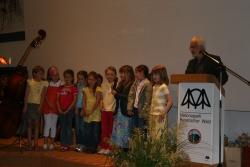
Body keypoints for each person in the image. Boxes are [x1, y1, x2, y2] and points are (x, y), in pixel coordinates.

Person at [23, 65, 48, 151]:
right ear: (34, 73)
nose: (41, 75)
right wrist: (25, 106)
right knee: (29, 125)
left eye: (42, 73)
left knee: (37, 125)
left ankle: (36, 144)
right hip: (30, 105)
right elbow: (26, 95)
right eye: (39, 73)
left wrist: (40, 107)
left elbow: (43, 96)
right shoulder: (30, 81)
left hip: (38, 105)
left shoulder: (44, 83)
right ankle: (29, 143)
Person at [111, 65, 134, 151]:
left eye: (123, 73)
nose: (121, 75)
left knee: (126, 132)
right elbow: (117, 95)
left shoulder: (132, 84)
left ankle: (126, 151)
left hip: (126, 111)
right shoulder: (121, 83)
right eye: (121, 73)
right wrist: (115, 90)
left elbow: (128, 97)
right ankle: (120, 150)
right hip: (119, 111)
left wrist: (116, 94)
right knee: (119, 132)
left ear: (129, 74)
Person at [127, 65, 152, 136]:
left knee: (141, 131)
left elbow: (148, 100)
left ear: (144, 73)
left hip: (142, 111)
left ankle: (141, 146)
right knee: (134, 129)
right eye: (136, 72)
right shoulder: (136, 83)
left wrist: (143, 112)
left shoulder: (147, 84)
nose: (136, 74)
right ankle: (134, 146)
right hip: (135, 109)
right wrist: (129, 108)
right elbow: (131, 95)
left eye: (138, 72)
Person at [149, 65, 173, 139]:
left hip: (160, 116)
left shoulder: (163, 86)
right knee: (153, 136)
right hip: (152, 114)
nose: (154, 76)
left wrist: (163, 113)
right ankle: (154, 151)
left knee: (159, 137)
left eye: (156, 74)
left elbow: (170, 101)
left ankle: (160, 151)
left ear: (162, 75)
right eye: (153, 74)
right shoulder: (154, 86)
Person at [42, 66, 62, 150]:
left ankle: (52, 143)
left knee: (53, 125)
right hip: (47, 106)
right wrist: (49, 104)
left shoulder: (61, 83)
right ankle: (45, 143)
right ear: (50, 75)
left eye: (56, 74)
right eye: (53, 74)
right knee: (47, 125)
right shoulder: (47, 83)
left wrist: (56, 105)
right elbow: (44, 95)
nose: (55, 76)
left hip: (55, 107)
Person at [98, 66, 117, 155]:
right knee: (104, 130)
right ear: (105, 75)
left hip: (112, 111)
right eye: (108, 74)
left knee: (111, 130)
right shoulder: (103, 85)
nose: (109, 76)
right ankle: (104, 146)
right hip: (104, 110)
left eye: (112, 74)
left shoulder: (117, 85)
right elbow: (102, 98)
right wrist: (101, 106)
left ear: (115, 75)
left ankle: (110, 147)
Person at [57, 69, 77, 151]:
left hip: (69, 111)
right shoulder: (61, 87)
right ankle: (63, 144)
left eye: (69, 77)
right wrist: (59, 108)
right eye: (65, 77)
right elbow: (57, 99)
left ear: (72, 78)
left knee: (68, 128)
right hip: (61, 110)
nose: (67, 79)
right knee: (63, 127)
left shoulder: (74, 88)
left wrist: (68, 110)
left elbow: (74, 101)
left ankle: (67, 144)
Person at [82, 71, 102, 153]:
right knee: (87, 131)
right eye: (89, 79)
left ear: (96, 80)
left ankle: (93, 147)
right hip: (87, 113)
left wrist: (90, 111)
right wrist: (84, 110)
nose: (91, 81)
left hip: (95, 114)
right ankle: (88, 146)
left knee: (95, 132)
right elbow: (84, 101)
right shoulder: (85, 89)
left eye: (93, 79)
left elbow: (97, 102)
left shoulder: (98, 89)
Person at [75, 70, 88, 152]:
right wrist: (76, 108)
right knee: (78, 127)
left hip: (83, 109)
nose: (80, 80)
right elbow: (76, 99)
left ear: (86, 79)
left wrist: (83, 109)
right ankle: (78, 144)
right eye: (78, 79)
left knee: (83, 127)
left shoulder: (87, 88)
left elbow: (86, 100)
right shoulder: (77, 86)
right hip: (77, 108)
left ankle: (83, 145)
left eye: (82, 79)